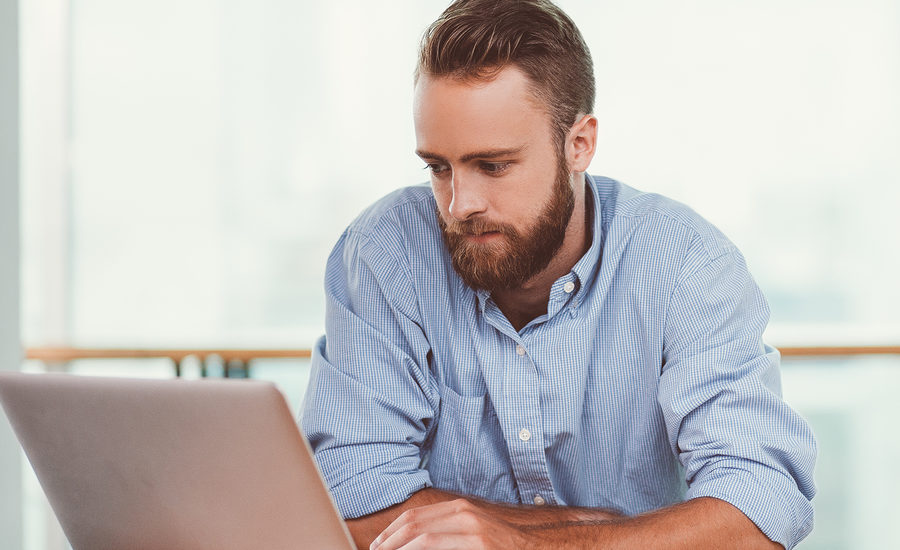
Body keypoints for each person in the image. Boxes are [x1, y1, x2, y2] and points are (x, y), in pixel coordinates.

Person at [301, 1, 816, 548]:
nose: (459, 204)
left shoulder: (686, 263)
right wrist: (595, 529)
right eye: (438, 167)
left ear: (579, 144)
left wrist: (525, 544)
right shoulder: (386, 254)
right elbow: (349, 499)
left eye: (493, 165)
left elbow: (760, 506)